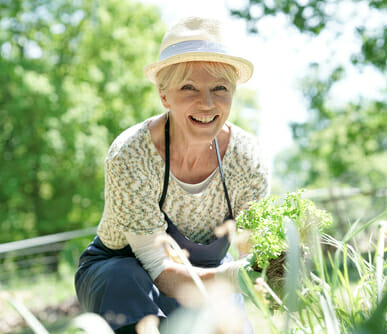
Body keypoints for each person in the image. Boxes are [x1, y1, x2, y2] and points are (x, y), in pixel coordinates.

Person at [74, 16, 270, 334]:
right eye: (188, 87)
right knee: (124, 279)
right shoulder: (131, 154)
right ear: (165, 96)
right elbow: (157, 266)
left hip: (210, 276)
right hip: (125, 275)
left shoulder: (247, 158)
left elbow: (251, 251)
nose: (206, 103)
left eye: (220, 88)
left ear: (233, 93)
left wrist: (273, 266)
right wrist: (235, 278)